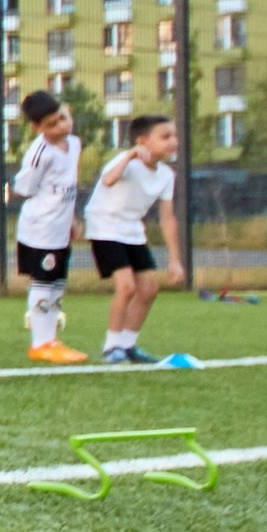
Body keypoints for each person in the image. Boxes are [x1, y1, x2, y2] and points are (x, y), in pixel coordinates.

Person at [83, 113, 184, 364]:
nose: (173, 141)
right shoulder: (125, 161)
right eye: (165, 137)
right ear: (143, 141)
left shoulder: (166, 175)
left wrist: (175, 260)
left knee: (149, 288)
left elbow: (168, 219)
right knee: (126, 287)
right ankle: (111, 347)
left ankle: (128, 346)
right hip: (105, 228)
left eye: (174, 136)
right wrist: (129, 156)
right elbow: (108, 180)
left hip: (132, 230)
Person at [11, 89, 89, 364]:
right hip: (40, 229)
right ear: (37, 128)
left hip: (60, 229)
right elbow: (24, 187)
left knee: (57, 285)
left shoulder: (75, 144)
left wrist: (72, 218)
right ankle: (40, 343)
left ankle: (51, 339)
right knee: (43, 283)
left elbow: (69, 187)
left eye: (62, 119)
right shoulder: (40, 153)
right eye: (52, 125)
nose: (61, 127)